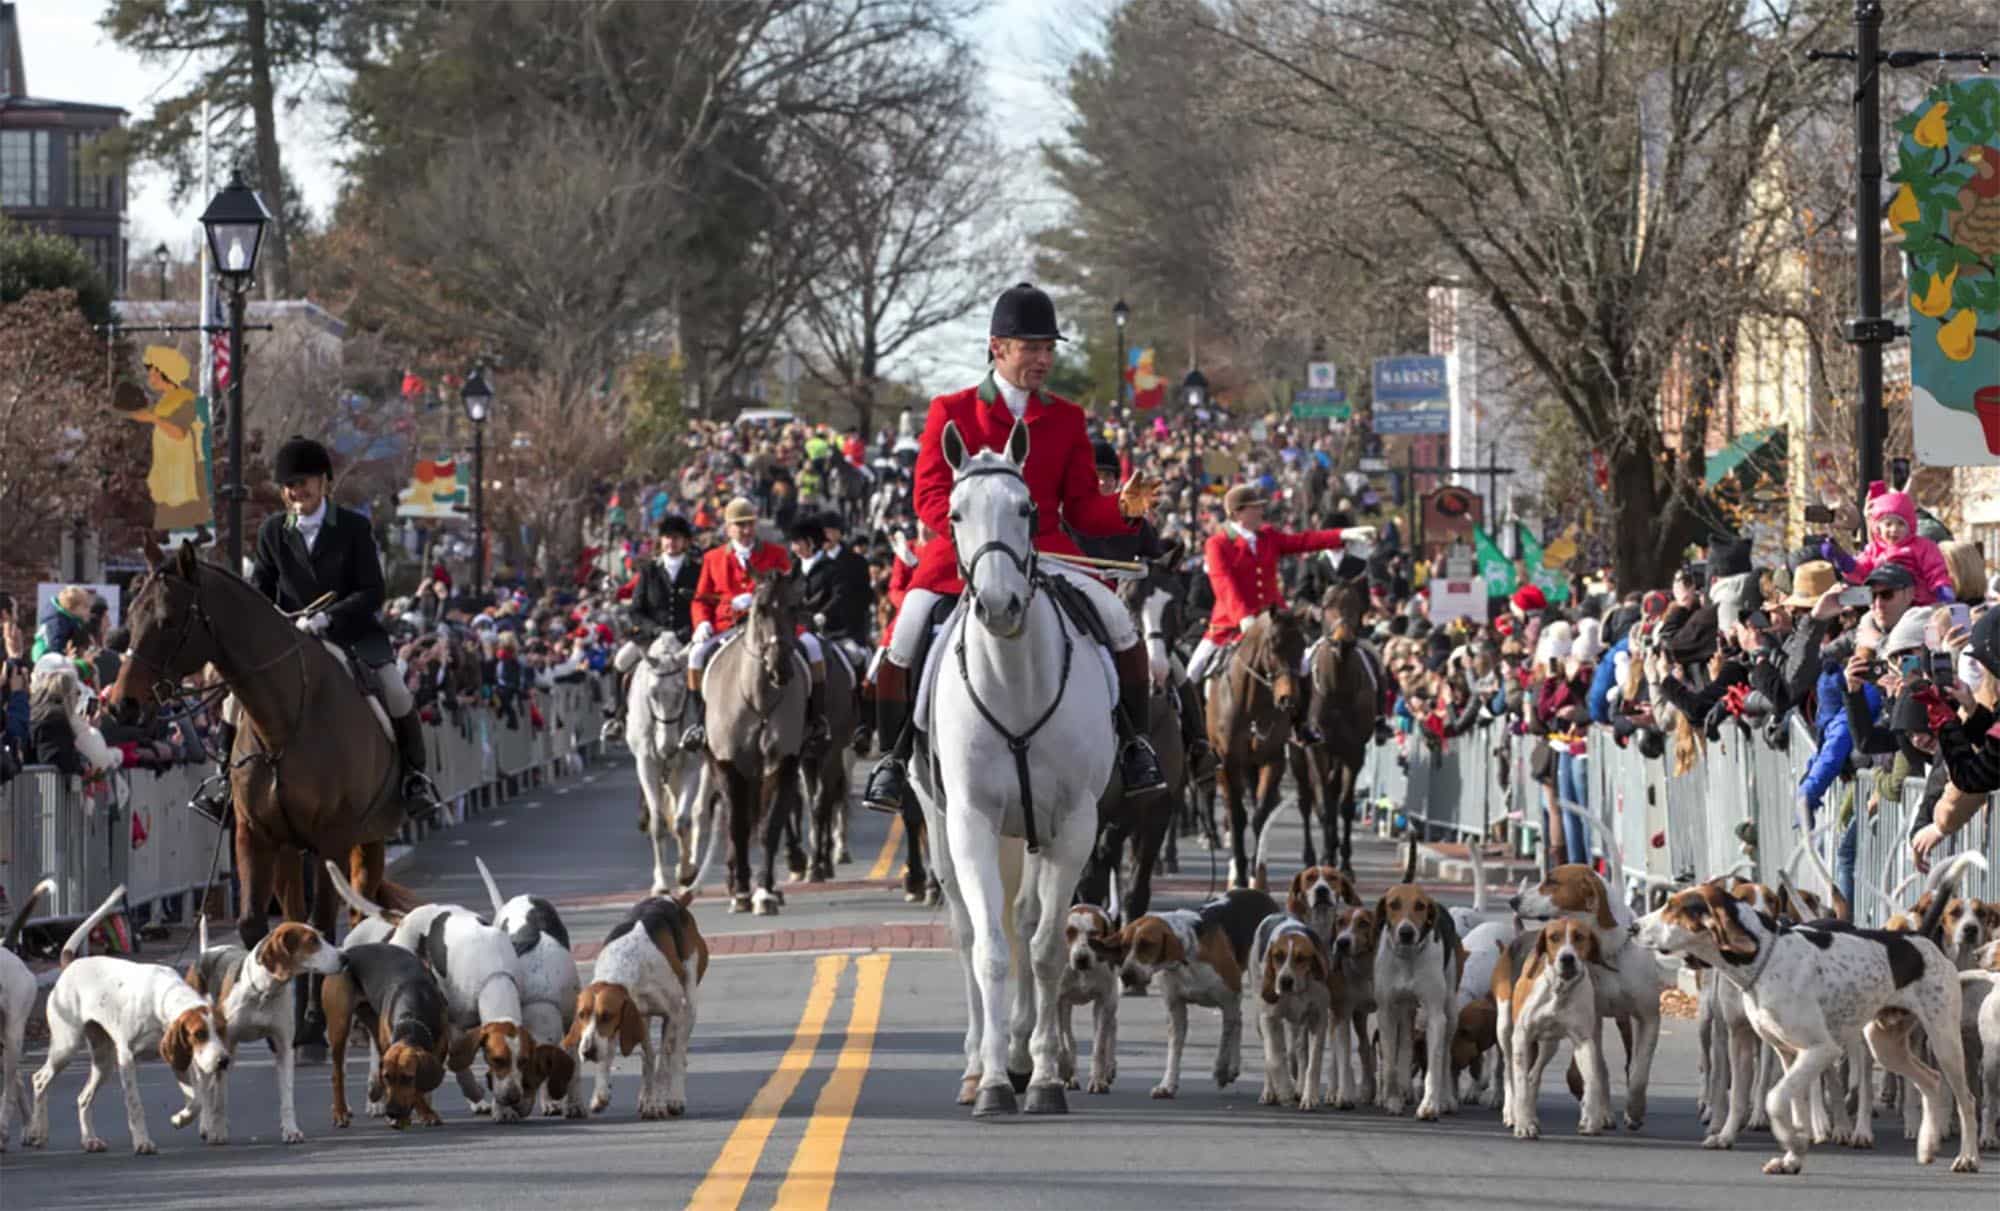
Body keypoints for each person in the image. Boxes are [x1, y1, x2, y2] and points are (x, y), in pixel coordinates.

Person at [864, 282, 1167, 814]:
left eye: (1049, 348)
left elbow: (1078, 508)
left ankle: (1135, 745)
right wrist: (978, 535)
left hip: (1048, 551)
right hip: (963, 556)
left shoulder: (1067, 418)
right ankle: (890, 760)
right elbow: (929, 494)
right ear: (997, 347)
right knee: (905, 633)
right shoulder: (950, 409)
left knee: (1119, 620)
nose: (1043, 359)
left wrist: (1123, 507)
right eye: (1031, 347)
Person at [226, 435, 434, 821]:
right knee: (233, 699)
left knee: (396, 689)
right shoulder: (274, 531)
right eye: (290, 484)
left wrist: (328, 617)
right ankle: (224, 784)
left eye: (304, 482)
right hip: (289, 640)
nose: (296, 491)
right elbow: (260, 590)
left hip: (350, 633)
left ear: (324, 482)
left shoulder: (353, 528)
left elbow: (372, 590)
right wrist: (274, 620)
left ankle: (415, 779)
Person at [1184, 485, 1372, 743]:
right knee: (1192, 672)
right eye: (1256, 507)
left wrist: (1342, 534)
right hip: (1230, 623)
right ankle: (1193, 736)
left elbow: (1303, 541)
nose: (1262, 511)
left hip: (1275, 621)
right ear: (1238, 513)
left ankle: (1301, 724)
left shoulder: (1268, 536)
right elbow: (1223, 584)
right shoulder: (1217, 544)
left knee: (1305, 666)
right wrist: (1243, 617)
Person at [679, 497, 828, 752]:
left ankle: (816, 719)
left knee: (813, 647)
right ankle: (699, 722)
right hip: (728, 623)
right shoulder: (713, 558)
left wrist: (763, 596)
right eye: (739, 525)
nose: (746, 530)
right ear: (728, 529)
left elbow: (792, 591)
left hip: (774, 625)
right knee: (695, 655)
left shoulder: (776, 553)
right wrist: (702, 622)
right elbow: (701, 598)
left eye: (749, 524)